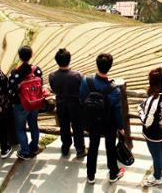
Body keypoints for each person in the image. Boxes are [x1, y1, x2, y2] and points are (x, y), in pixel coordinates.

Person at [79, 53, 125, 184]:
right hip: (108, 123)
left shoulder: (85, 81)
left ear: (97, 64)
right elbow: (117, 111)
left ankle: (90, 175)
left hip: (92, 121)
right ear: (110, 66)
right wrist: (121, 127)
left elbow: (81, 99)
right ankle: (113, 173)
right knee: (110, 148)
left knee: (93, 147)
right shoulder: (114, 90)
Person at [139, 68, 162, 187]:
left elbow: (147, 122)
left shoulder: (153, 99)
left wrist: (140, 110)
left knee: (156, 156)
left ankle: (157, 177)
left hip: (153, 133)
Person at [49, 48, 86, 157]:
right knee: (77, 127)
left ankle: (65, 147)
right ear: (69, 59)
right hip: (75, 104)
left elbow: (53, 89)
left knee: (64, 126)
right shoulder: (78, 75)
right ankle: (80, 149)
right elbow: (83, 90)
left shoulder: (52, 76)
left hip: (61, 104)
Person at [8, 45, 43, 160]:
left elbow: (11, 89)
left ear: (19, 56)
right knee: (34, 124)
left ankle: (25, 151)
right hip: (35, 102)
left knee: (20, 128)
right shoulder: (36, 69)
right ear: (31, 55)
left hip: (21, 104)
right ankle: (34, 147)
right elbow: (41, 83)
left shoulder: (15, 73)